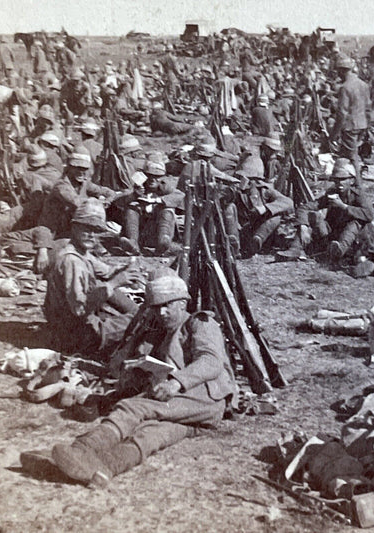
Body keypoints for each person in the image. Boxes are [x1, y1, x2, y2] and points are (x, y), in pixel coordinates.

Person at [49, 271, 238, 487]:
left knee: (133, 408)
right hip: (194, 413)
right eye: (157, 307)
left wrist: (176, 382)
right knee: (152, 433)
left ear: (183, 302)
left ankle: (82, 448)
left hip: (207, 397)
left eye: (168, 305)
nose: (162, 312)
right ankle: (103, 468)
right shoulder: (164, 330)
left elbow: (211, 362)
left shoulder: (200, 324)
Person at [43, 198, 140, 358]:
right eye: (86, 228)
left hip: (72, 325)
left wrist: (126, 271)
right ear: (74, 226)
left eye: (96, 230)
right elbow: (80, 309)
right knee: (142, 322)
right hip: (75, 336)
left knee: (124, 304)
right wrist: (116, 282)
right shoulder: (72, 261)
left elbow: (106, 272)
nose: (91, 235)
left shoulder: (79, 250)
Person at [331, 55, 371, 182]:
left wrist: (334, 134)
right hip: (362, 124)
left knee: (352, 156)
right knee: (348, 153)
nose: (338, 74)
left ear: (342, 70)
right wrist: (367, 125)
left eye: (338, 71)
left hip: (350, 126)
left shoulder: (345, 87)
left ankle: (358, 183)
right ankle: (345, 178)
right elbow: (368, 107)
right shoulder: (363, 85)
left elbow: (342, 113)